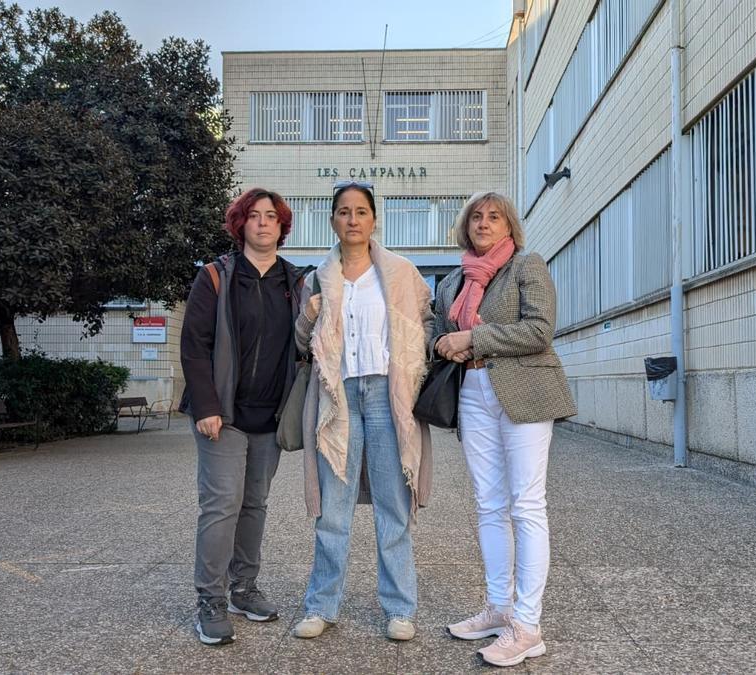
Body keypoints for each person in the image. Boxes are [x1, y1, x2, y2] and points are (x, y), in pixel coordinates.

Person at [433, 191, 576, 667]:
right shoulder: (454, 279)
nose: (484, 223)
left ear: (509, 225)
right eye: (476, 216)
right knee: (489, 503)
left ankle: (528, 626)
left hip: (525, 392)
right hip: (473, 390)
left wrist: (473, 337)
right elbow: (437, 332)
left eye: (494, 216)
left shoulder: (526, 266)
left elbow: (540, 330)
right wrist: (445, 344)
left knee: (527, 503)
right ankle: (499, 607)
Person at [291, 180, 433, 642]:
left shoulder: (400, 272)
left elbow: (425, 325)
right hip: (339, 397)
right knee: (333, 509)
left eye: (361, 212)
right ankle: (322, 605)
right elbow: (300, 344)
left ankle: (400, 609)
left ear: (374, 220)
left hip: (387, 395)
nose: (352, 220)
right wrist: (309, 316)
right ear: (332, 220)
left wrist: (416, 370)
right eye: (344, 212)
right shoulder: (317, 277)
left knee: (393, 504)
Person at [179, 187, 307, 646]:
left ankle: (243, 588)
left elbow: (306, 345)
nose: (263, 223)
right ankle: (210, 600)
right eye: (253, 216)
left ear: (282, 226)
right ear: (240, 224)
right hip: (224, 416)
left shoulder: (295, 283)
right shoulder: (215, 276)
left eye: (271, 216)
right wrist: (207, 406)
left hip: (270, 416)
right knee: (221, 504)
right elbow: (194, 345)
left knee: (254, 504)